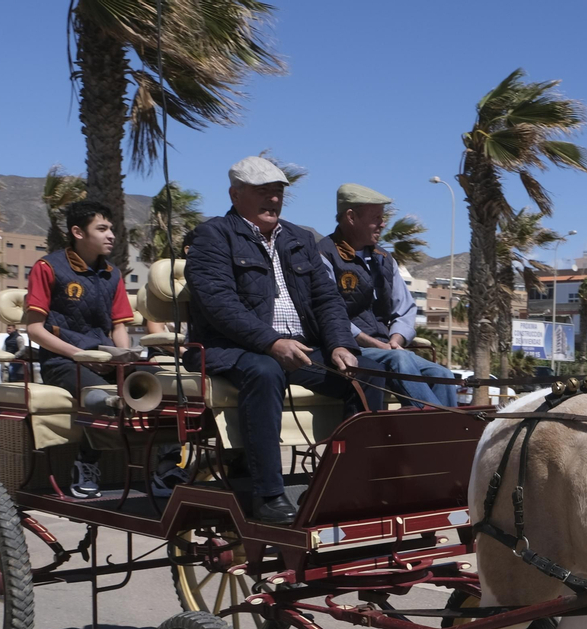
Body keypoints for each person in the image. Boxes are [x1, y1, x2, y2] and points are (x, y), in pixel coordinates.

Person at [183, 156, 377, 525]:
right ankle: (268, 495)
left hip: (298, 350)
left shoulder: (300, 238)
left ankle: (344, 483)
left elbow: (327, 300)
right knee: (265, 370)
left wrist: (340, 345)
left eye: (278, 193)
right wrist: (271, 342)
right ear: (235, 194)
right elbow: (218, 304)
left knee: (365, 375)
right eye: (263, 192)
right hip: (230, 349)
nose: (273, 200)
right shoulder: (211, 236)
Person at [23, 198, 136, 498]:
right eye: (102, 228)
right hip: (62, 363)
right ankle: (86, 462)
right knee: (102, 397)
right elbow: (35, 329)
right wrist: (81, 356)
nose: (111, 235)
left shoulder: (113, 274)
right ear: (78, 232)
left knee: (162, 387)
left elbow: (119, 328)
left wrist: (122, 359)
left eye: (111, 228)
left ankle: (164, 465)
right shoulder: (47, 267)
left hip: (106, 360)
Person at [316, 184, 457, 409]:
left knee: (444, 375)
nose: (383, 224)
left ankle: (442, 437)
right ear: (351, 217)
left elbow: (405, 309)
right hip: (349, 347)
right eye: (377, 218)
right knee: (400, 359)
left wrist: (395, 340)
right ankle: (442, 424)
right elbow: (331, 315)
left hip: (388, 348)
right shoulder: (324, 255)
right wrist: (378, 345)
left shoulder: (384, 259)